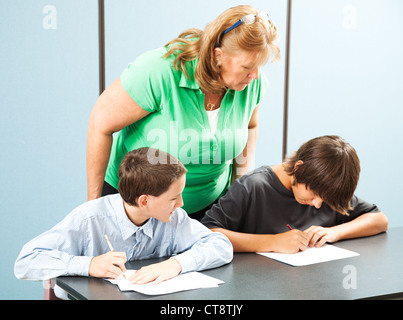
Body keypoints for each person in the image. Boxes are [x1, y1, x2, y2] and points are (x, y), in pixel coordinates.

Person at [86, 5, 280, 220]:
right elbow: (99, 125)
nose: (254, 75)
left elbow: (250, 126)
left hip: (207, 210)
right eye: (246, 66)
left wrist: (239, 191)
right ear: (218, 55)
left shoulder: (252, 83)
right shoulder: (159, 71)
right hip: (139, 209)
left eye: (260, 66)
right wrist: (94, 210)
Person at [15, 148, 233, 298]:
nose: (181, 203)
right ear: (145, 201)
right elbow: (25, 261)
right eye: (174, 197)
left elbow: (220, 245)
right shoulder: (89, 219)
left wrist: (175, 264)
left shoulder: (173, 218)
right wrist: (89, 265)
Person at [201, 135, 388, 253]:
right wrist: (272, 242)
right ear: (299, 168)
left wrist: (334, 232)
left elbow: (379, 220)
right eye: (313, 194)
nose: (317, 204)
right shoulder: (253, 187)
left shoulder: (328, 191)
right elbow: (206, 233)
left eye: (325, 200)